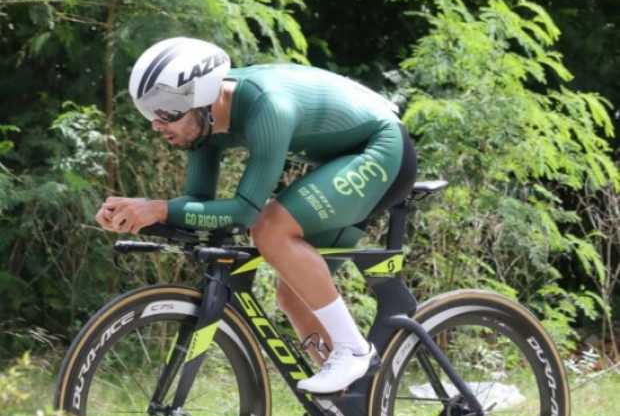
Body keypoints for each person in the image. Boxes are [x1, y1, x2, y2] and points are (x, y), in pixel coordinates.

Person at [95, 37, 417, 394]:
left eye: (167, 112)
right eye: (150, 112)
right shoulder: (204, 125)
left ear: (203, 98)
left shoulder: (268, 107)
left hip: (382, 149)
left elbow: (245, 212)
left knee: (270, 227)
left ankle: (353, 349)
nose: (156, 124)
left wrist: (158, 208)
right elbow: (199, 203)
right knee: (294, 295)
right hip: (339, 161)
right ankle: (354, 409)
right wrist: (143, 215)